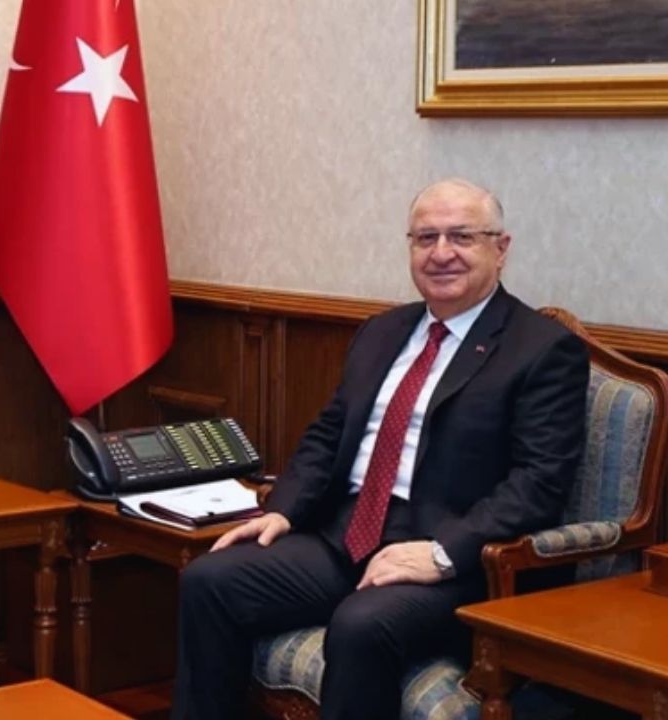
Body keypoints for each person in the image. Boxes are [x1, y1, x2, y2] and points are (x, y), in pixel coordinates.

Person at [171, 179, 590, 720]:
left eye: (462, 236)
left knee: (361, 624)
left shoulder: (542, 349)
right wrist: (284, 510)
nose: (441, 253)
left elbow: (539, 483)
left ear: (501, 248)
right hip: (347, 536)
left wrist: (440, 554)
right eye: (425, 238)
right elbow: (330, 432)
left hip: (459, 559)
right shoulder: (383, 331)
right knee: (209, 580)